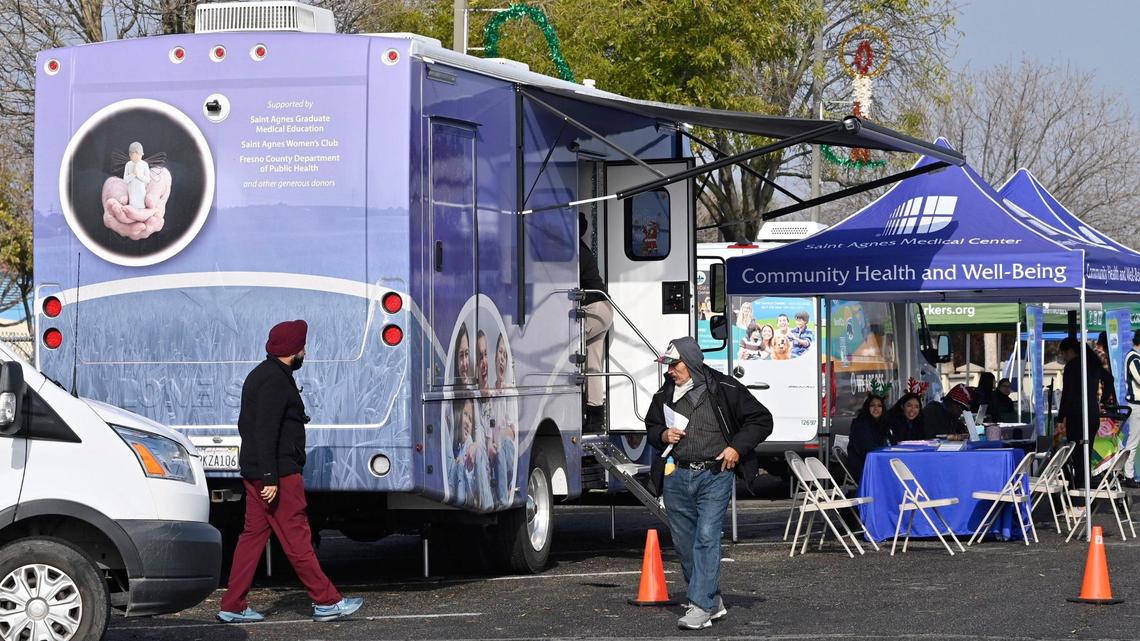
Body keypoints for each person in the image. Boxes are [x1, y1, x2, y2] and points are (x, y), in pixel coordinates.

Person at [218, 320, 363, 623]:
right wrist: (271, 478)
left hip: (258, 472)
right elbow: (266, 431)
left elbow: (252, 428)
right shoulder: (274, 380)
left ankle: (232, 605)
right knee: (297, 539)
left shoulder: (262, 375)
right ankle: (326, 601)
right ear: (293, 350)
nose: (305, 352)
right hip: (279, 475)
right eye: (303, 347)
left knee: (252, 538)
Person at [646, 337, 772, 630]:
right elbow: (652, 427)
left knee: (706, 537)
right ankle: (711, 599)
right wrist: (663, 435)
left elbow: (761, 420)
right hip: (675, 474)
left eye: (674, 365)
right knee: (683, 542)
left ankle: (700, 607)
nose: (669, 371)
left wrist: (736, 448)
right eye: (667, 366)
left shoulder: (725, 388)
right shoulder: (665, 394)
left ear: (690, 362)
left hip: (714, 475)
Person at [580, 212, 613, 431]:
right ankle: (594, 417)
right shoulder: (583, 249)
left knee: (562, 348)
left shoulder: (574, 252)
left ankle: (576, 407)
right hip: (603, 309)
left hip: (592, 309)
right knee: (592, 364)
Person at [1058, 337, 1105, 492]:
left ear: (1069, 351)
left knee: (1077, 455)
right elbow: (1109, 380)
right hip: (1092, 413)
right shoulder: (1092, 364)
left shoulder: (1072, 367)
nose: (1063, 358)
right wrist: (1103, 400)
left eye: (1063, 354)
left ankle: (1079, 491)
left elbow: (1067, 394)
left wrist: (1060, 417)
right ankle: (1084, 487)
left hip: (1077, 415)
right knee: (1086, 453)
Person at [846, 394, 889, 483]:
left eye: (879, 406)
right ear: (867, 407)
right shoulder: (861, 425)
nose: (876, 408)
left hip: (874, 463)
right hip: (863, 467)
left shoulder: (881, 424)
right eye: (872, 405)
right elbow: (867, 448)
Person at [1124, 332, 1140, 487]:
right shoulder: (1133, 358)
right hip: (1136, 405)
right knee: (1133, 441)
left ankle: (1129, 474)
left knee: (1134, 440)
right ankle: (1128, 475)